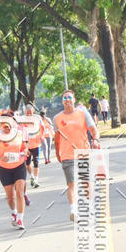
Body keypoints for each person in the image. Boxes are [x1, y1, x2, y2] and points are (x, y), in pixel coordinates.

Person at [53, 90, 100, 222]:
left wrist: (96, 140)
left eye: (69, 97)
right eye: (64, 98)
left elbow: (94, 130)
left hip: (83, 153)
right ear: (62, 101)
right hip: (67, 155)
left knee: (86, 183)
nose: (67, 100)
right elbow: (56, 139)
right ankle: (73, 210)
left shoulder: (83, 113)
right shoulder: (57, 118)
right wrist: (57, 153)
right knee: (72, 183)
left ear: (74, 100)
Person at [0, 109, 28, 230]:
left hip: (19, 166)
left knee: (19, 192)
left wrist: (24, 152)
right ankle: (14, 212)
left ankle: (20, 219)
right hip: (5, 169)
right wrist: (1, 158)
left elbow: (25, 148)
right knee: (11, 198)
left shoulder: (19, 134)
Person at [22, 104, 43, 187]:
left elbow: (42, 128)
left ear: (33, 111)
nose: (29, 114)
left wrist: (40, 136)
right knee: (27, 164)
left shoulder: (37, 119)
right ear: (25, 112)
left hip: (36, 145)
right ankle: (32, 176)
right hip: (27, 146)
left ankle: (36, 180)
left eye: (30, 112)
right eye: (27, 112)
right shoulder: (22, 120)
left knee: (36, 162)